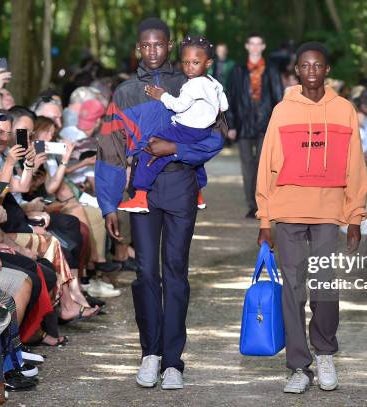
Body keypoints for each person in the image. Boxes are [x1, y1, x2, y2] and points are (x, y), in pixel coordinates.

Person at [95, 17, 223, 390]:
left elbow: (216, 139)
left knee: (176, 273)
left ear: (169, 46)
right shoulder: (124, 93)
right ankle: (149, 354)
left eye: (159, 44)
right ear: (138, 49)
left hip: (181, 182)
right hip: (141, 190)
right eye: (145, 45)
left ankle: (173, 362)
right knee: (146, 273)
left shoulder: (193, 82)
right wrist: (107, 204)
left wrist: (176, 148)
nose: (152, 51)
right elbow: (110, 149)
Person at [255, 42, 367, 394]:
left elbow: (355, 166)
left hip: (328, 210)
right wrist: (264, 219)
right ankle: (298, 366)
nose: (312, 72)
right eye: (305, 66)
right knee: (292, 289)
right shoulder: (282, 110)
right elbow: (266, 164)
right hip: (288, 209)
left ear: (327, 69)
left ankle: (325, 353)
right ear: (297, 71)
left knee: (324, 283)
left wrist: (355, 217)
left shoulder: (345, 110)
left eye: (318, 66)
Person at [118, 35, 228, 213]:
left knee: (151, 149)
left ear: (208, 63)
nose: (189, 67)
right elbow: (223, 106)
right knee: (196, 162)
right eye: (185, 62)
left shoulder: (193, 85)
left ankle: (139, 196)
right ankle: (198, 193)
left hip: (185, 129)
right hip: (203, 131)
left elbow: (178, 105)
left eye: (195, 63)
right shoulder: (214, 83)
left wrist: (161, 95)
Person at [227, 33, 283, 218]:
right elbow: (231, 98)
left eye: (259, 44)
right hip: (243, 123)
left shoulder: (272, 70)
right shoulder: (238, 70)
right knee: (247, 165)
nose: (255, 47)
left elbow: (279, 98)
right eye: (252, 43)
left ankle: (262, 203)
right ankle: (251, 204)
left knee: (263, 164)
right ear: (247, 46)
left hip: (266, 122)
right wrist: (231, 125)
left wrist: (279, 124)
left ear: (263, 47)